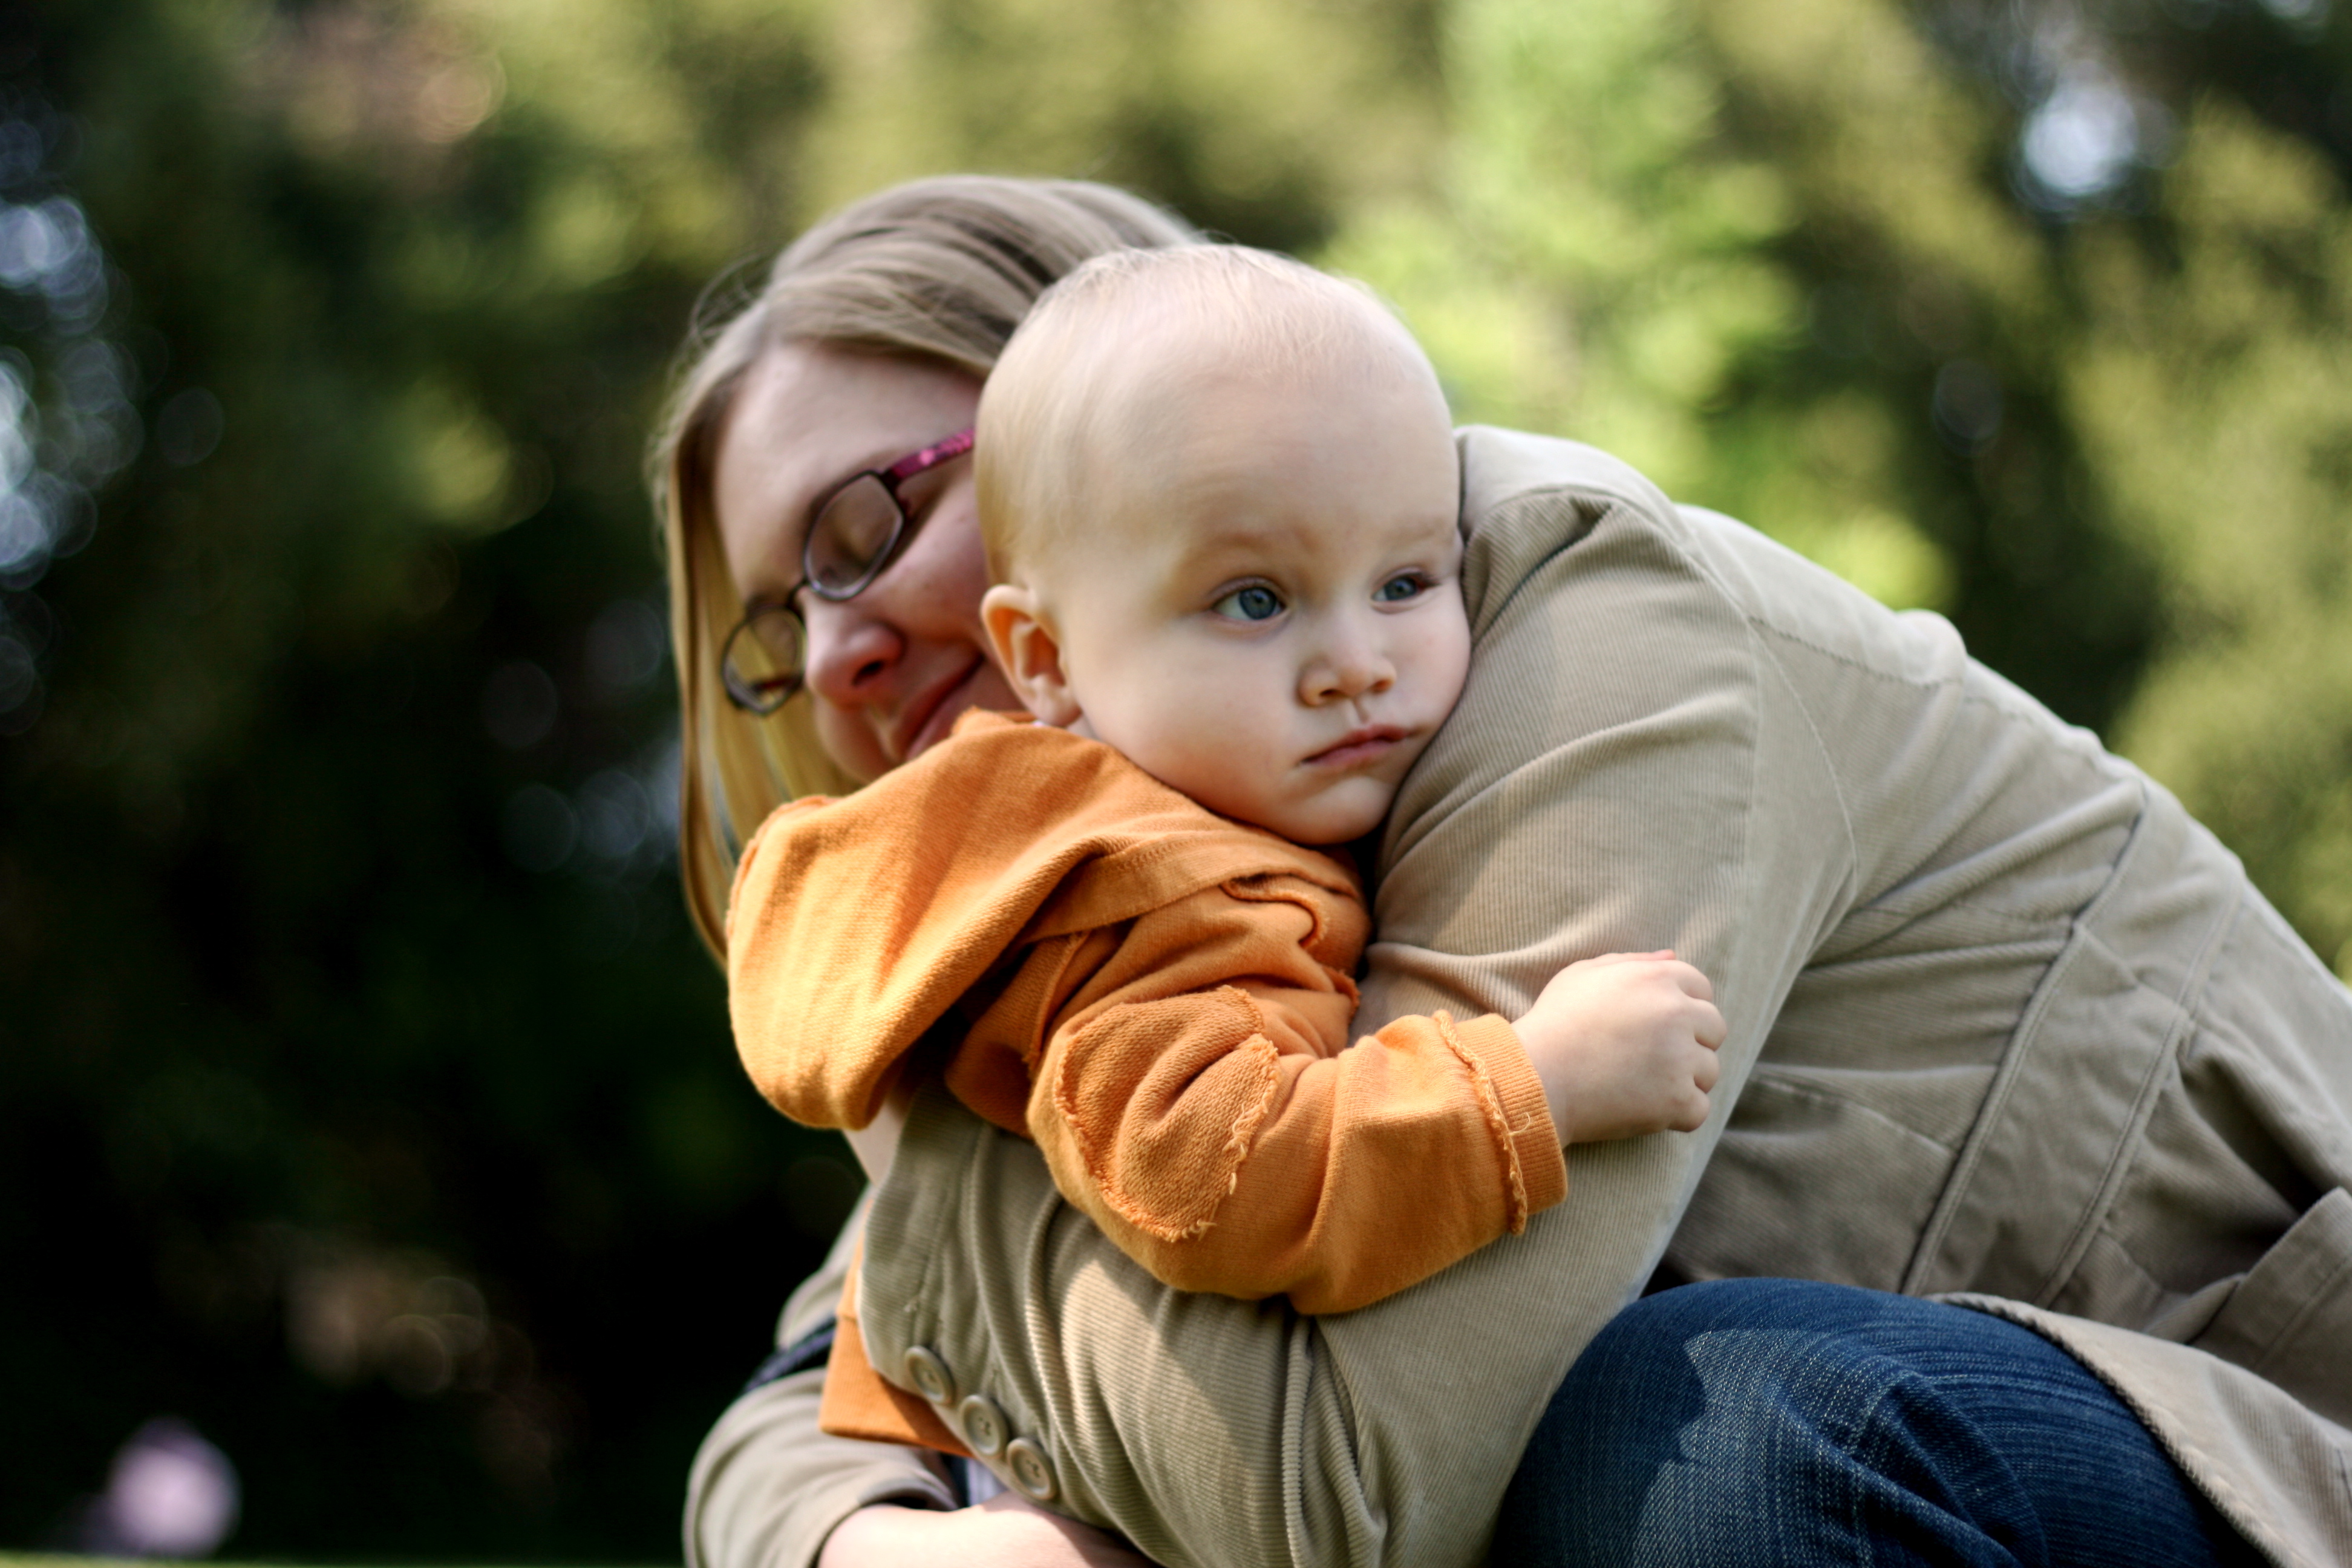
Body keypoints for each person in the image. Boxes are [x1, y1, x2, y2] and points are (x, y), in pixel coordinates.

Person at [663, 175, 2352, 1568]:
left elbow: (1342, 1493)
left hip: (2262, 1458)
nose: (834, 658)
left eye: (865, 528)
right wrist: (902, 1550)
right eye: (775, 618)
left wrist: (920, 1123)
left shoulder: (1563, 628)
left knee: (1708, 1429)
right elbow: (773, 1421)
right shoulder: (1141, 849)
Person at [722, 247, 1725, 1387]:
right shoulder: (1132, 887)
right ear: (1046, 660)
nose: (1355, 665)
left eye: (1405, 583)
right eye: (1254, 601)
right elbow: (1207, 1182)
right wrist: (1532, 1087)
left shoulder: (1227, 803)